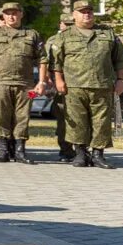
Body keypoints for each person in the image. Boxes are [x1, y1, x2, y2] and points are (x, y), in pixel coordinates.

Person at [51, 0, 123, 169]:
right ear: (74, 15)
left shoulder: (108, 33)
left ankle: (98, 154)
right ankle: (80, 153)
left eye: (89, 11)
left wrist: (121, 81)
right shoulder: (64, 36)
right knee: (77, 121)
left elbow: (120, 60)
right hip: (74, 86)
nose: (87, 14)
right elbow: (56, 62)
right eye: (82, 11)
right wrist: (59, 80)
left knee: (102, 121)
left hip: (102, 85)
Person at [0, 2, 46, 164]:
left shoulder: (32, 34)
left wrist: (42, 82)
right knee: (1, 115)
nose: (11, 16)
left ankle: (20, 151)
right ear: (3, 15)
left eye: (15, 12)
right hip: (0, 83)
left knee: (22, 117)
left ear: (21, 14)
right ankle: (3, 150)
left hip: (27, 85)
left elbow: (42, 59)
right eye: (7, 13)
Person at [45, 13, 77, 162]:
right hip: (60, 84)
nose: (69, 27)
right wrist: (48, 80)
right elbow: (44, 62)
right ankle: (65, 149)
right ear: (61, 24)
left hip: (79, 83)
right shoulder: (53, 41)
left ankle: (82, 149)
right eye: (67, 24)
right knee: (63, 118)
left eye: (72, 24)